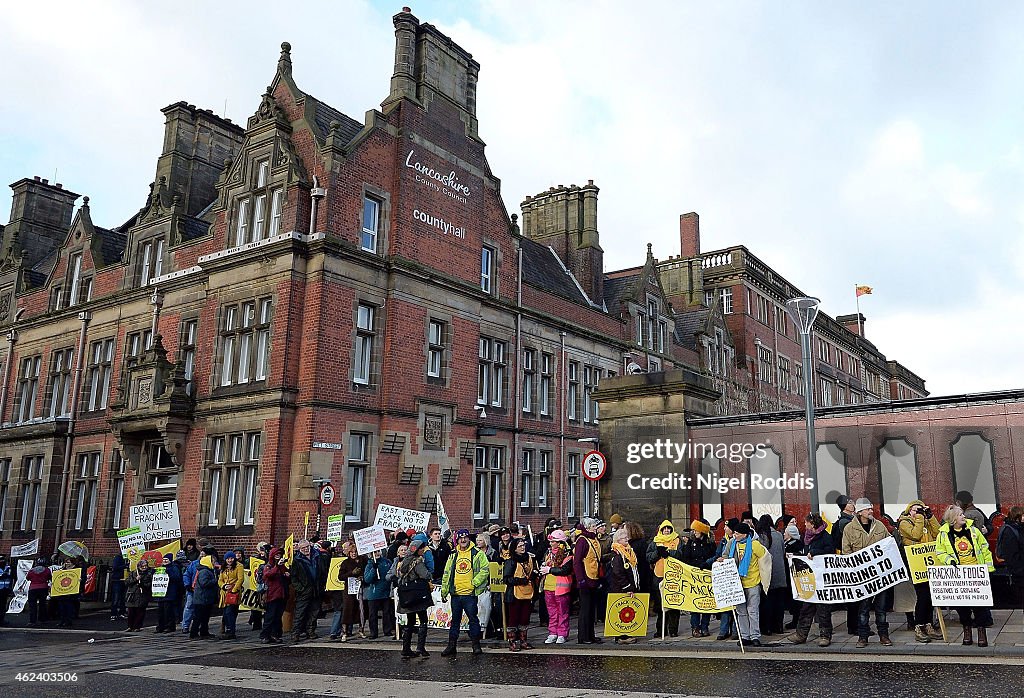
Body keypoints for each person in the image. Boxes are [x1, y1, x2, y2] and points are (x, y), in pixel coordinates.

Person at [936, 504, 995, 646]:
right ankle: (967, 631)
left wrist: (987, 569)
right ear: (953, 519)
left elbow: (984, 548)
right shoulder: (943, 535)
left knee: (980, 605)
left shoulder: (973, 531)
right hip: (959, 576)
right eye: (960, 514)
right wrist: (949, 560)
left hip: (976, 573)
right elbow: (940, 552)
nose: (964, 516)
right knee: (962, 607)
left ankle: (981, 632)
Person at [843, 498, 891, 647]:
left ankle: (883, 635)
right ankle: (862, 636)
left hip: (880, 574)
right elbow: (846, 552)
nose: (871, 511)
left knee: (881, 608)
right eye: (868, 509)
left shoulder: (880, 526)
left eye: (871, 508)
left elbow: (889, 546)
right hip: (862, 576)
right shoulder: (849, 529)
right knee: (863, 609)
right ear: (859, 512)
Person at [897, 499, 942, 642]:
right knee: (922, 595)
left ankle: (928, 625)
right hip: (915, 564)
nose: (918, 513)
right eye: (916, 510)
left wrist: (930, 516)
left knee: (930, 595)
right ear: (909, 511)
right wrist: (920, 518)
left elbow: (938, 533)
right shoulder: (904, 523)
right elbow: (916, 535)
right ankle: (919, 626)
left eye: (921, 510)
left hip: (929, 562)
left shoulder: (925, 520)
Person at [719, 521, 770, 648]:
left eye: (737, 533)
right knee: (741, 611)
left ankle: (755, 636)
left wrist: (763, 576)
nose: (734, 535)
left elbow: (766, 559)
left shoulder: (755, 545)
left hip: (753, 581)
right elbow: (725, 555)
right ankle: (745, 636)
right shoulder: (732, 543)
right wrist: (723, 559)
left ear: (744, 534)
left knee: (752, 610)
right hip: (737, 582)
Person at [440, 528, 489, 656]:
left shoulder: (477, 553)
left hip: (470, 594)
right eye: (461, 538)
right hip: (456, 594)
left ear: (468, 538)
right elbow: (447, 573)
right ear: (457, 539)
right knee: (455, 621)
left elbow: (485, 569)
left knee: (473, 619)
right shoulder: (453, 554)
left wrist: (475, 583)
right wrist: (444, 591)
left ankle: (476, 645)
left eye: (465, 537)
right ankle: (451, 646)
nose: (463, 540)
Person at [790, 513, 835, 647]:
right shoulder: (807, 537)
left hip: (821, 578)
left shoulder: (825, 537)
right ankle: (801, 634)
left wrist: (816, 552)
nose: (804, 525)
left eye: (806, 522)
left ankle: (825, 635)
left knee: (823, 609)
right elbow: (806, 552)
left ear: (813, 524)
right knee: (806, 608)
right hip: (809, 578)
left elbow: (830, 551)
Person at [391, 539, 433, 658]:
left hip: (407, 595)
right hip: (417, 595)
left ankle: (406, 648)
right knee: (423, 620)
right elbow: (425, 575)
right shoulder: (417, 561)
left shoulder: (404, 561)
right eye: (421, 548)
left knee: (410, 622)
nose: (423, 550)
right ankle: (420, 647)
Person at [646, 519, 685, 638]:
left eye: (669, 528)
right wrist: (658, 553)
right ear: (661, 530)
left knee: (673, 604)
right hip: (659, 575)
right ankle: (661, 629)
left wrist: (669, 553)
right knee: (660, 605)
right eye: (664, 529)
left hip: (673, 576)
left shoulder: (678, 540)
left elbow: (681, 554)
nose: (667, 531)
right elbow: (648, 557)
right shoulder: (655, 542)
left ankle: (673, 629)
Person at [682, 519, 716, 637]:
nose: (694, 532)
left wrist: (706, 564)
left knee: (706, 601)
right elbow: (686, 558)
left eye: (696, 529)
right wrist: (694, 566)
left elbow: (714, 556)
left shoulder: (710, 543)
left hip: (706, 575)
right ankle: (695, 627)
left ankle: (705, 626)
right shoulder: (690, 543)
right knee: (695, 602)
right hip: (694, 576)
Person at [832, 495, 860, 634]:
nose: (853, 504)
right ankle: (854, 626)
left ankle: (856, 625)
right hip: (851, 561)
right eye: (850, 503)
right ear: (844, 506)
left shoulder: (850, 520)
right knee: (855, 596)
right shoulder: (845, 522)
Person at [539, 529, 573, 644]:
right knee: (552, 612)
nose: (550, 543)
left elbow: (565, 570)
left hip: (561, 588)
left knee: (562, 612)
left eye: (553, 541)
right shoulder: (548, 553)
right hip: (548, 586)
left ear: (559, 542)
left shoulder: (567, 554)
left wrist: (550, 570)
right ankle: (552, 632)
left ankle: (562, 633)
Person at [756, 514, 788, 636]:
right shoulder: (779, 535)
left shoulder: (761, 537)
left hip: (767, 575)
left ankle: (767, 628)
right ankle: (779, 626)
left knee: (767, 603)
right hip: (780, 574)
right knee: (779, 603)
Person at [574, 517, 604, 644]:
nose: (595, 528)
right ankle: (583, 636)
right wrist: (581, 580)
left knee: (592, 609)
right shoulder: (582, 540)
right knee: (585, 609)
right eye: (593, 526)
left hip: (594, 577)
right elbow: (577, 562)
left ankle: (591, 635)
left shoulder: (594, 539)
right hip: (585, 579)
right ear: (587, 528)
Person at [503, 537, 537, 651]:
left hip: (528, 592)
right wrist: (519, 580)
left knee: (525, 618)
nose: (523, 548)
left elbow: (532, 572)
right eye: (520, 546)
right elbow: (507, 579)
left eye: (523, 545)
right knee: (513, 618)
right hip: (514, 593)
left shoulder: (529, 558)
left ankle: (523, 641)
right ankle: (512, 642)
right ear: (515, 548)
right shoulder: (511, 561)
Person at [608, 527, 640, 645]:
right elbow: (618, 572)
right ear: (618, 540)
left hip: (628, 585)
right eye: (623, 538)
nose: (626, 539)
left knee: (628, 610)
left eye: (627, 537)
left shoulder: (628, 551)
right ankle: (621, 636)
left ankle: (627, 633)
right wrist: (627, 587)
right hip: (620, 588)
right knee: (621, 611)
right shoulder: (617, 554)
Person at [331, 544, 366, 641]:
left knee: (361, 610)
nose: (354, 554)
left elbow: (365, 572)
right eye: (352, 552)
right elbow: (340, 576)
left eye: (355, 552)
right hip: (348, 589)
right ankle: (344, 632)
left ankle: (361, 629)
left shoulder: (363, 560)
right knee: (347, 610)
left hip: (359, 588)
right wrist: (351, 573)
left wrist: (362, 577)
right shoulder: (345, 563)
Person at [710, 519, 737, 640]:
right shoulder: (724, 541)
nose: (724, 529)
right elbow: (719, 554)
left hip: (735, 576)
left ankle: (736, 630)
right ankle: (724, 630)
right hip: (725, 576)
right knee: (726, 605)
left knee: (736, 606)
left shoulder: (737, 541)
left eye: (727, 527)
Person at [290, 539, 319, 642]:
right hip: (304, 590)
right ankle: (296, 633)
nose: (306, 549)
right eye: (303, 548)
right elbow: (293, 578)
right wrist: (301, 588)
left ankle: (310, 631)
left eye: (307, 547)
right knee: (300, 613)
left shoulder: (317, 556)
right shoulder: (297, 560)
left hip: (316, 589)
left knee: (314, 612)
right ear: (299, 549)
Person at [997, 506, 1024, 612]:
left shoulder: (1018, 528)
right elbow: (1012, 555)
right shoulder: (1010, 531)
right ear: (1017, 516)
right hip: (1020, 573)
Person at [363, 549, 394, 640]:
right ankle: (373, 632)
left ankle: (387, 630)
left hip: (385, 591)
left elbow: (391, 574)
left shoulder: (387, 562)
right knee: (373, 614)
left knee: (387, 612)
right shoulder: (369, 564)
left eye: (378, 551)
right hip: (374, 593)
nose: (377, 554)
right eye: (374, 552)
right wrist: (374, 569)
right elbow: (367, 579)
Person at [260, 547, 288, 644]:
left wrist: (287, 574)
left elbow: (287, 574)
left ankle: (275, 634)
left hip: (281, 595)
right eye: (276, 555)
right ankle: (265, 635)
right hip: (271, 595)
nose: (278, 556)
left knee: (277, 617)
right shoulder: (268, 566)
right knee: (269, 617)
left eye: (279, 555)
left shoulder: (282, 566)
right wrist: (277, 567)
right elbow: (267, 575)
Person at [189, 553, 219, 640]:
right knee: (199, 617)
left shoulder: (207, 570)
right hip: (202, 599)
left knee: (205, 617)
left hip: (205, 598)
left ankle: (204, 632)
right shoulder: (204, 571)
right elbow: (204, 583)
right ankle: (194, 633)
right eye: (213, 561)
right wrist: (215, 581)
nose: (214, 563)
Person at [783, 520, 804, 629]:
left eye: (786, 533)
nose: (784, 534)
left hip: (795, 575)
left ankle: (797, 621)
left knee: (796, 599)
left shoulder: (796, 545)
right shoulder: (787, 544)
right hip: (789, 574)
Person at [218, 551, 244, 639]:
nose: (230, 560)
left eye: (231, 558)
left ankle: (231, 631)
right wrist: (224, 586)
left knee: (230, 612)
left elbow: (240, 579)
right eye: (228, 558)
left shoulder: (239, 566)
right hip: (224, 593)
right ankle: (227, 629)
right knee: (225, 613)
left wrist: (233, 589)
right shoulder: (223, 567)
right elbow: (220, 580)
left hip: (233, 593)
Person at [156, 552, 184, 633]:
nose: (164, 561)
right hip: (161, 593)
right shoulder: (160, 568)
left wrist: (167, 572)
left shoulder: (174, 568)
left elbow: (177, 578)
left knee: (168, 611)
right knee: (160, 612)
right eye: (163, 559)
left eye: (166, 559)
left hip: (170, 592)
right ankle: (160, 627)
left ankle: (170, 626)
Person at [126, 558, 154, 631]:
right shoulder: (133, 573)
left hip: (143, 595)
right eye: (142, 566)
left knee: (140, 612)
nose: (144, 568)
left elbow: (149, 584)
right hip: (133, 594)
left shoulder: (149, 574)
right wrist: (136, 579)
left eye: (145, 566)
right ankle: (130, 626)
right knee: (131, 612)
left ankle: (137, 626)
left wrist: (142, 584)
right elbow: (127, 582)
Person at [56, 559, 78, 628]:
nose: (66, 564)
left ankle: (68, 621)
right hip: (62, 591)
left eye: (68, 562)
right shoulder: (63, 569)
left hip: (70, 592)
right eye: (66, 562)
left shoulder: (76, 570)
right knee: (61, 607)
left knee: (68, 607)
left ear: (72, 564)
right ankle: (62, 620)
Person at [109, 552, 128, 620]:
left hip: (125, 579)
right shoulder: (118, 557)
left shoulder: (128, 558)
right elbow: (115, 567)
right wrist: (125, 566)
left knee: (123, 598)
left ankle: (122, 612)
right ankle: (113, 613)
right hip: (117, 580)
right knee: (116, 598)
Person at [0, 554, 12, 627]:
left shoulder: (8, 568)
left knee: (3, 606)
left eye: (3, 560)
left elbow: (11, 577)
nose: (2, 562)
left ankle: (1, 620)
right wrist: (1, 577)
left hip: (5, 589)